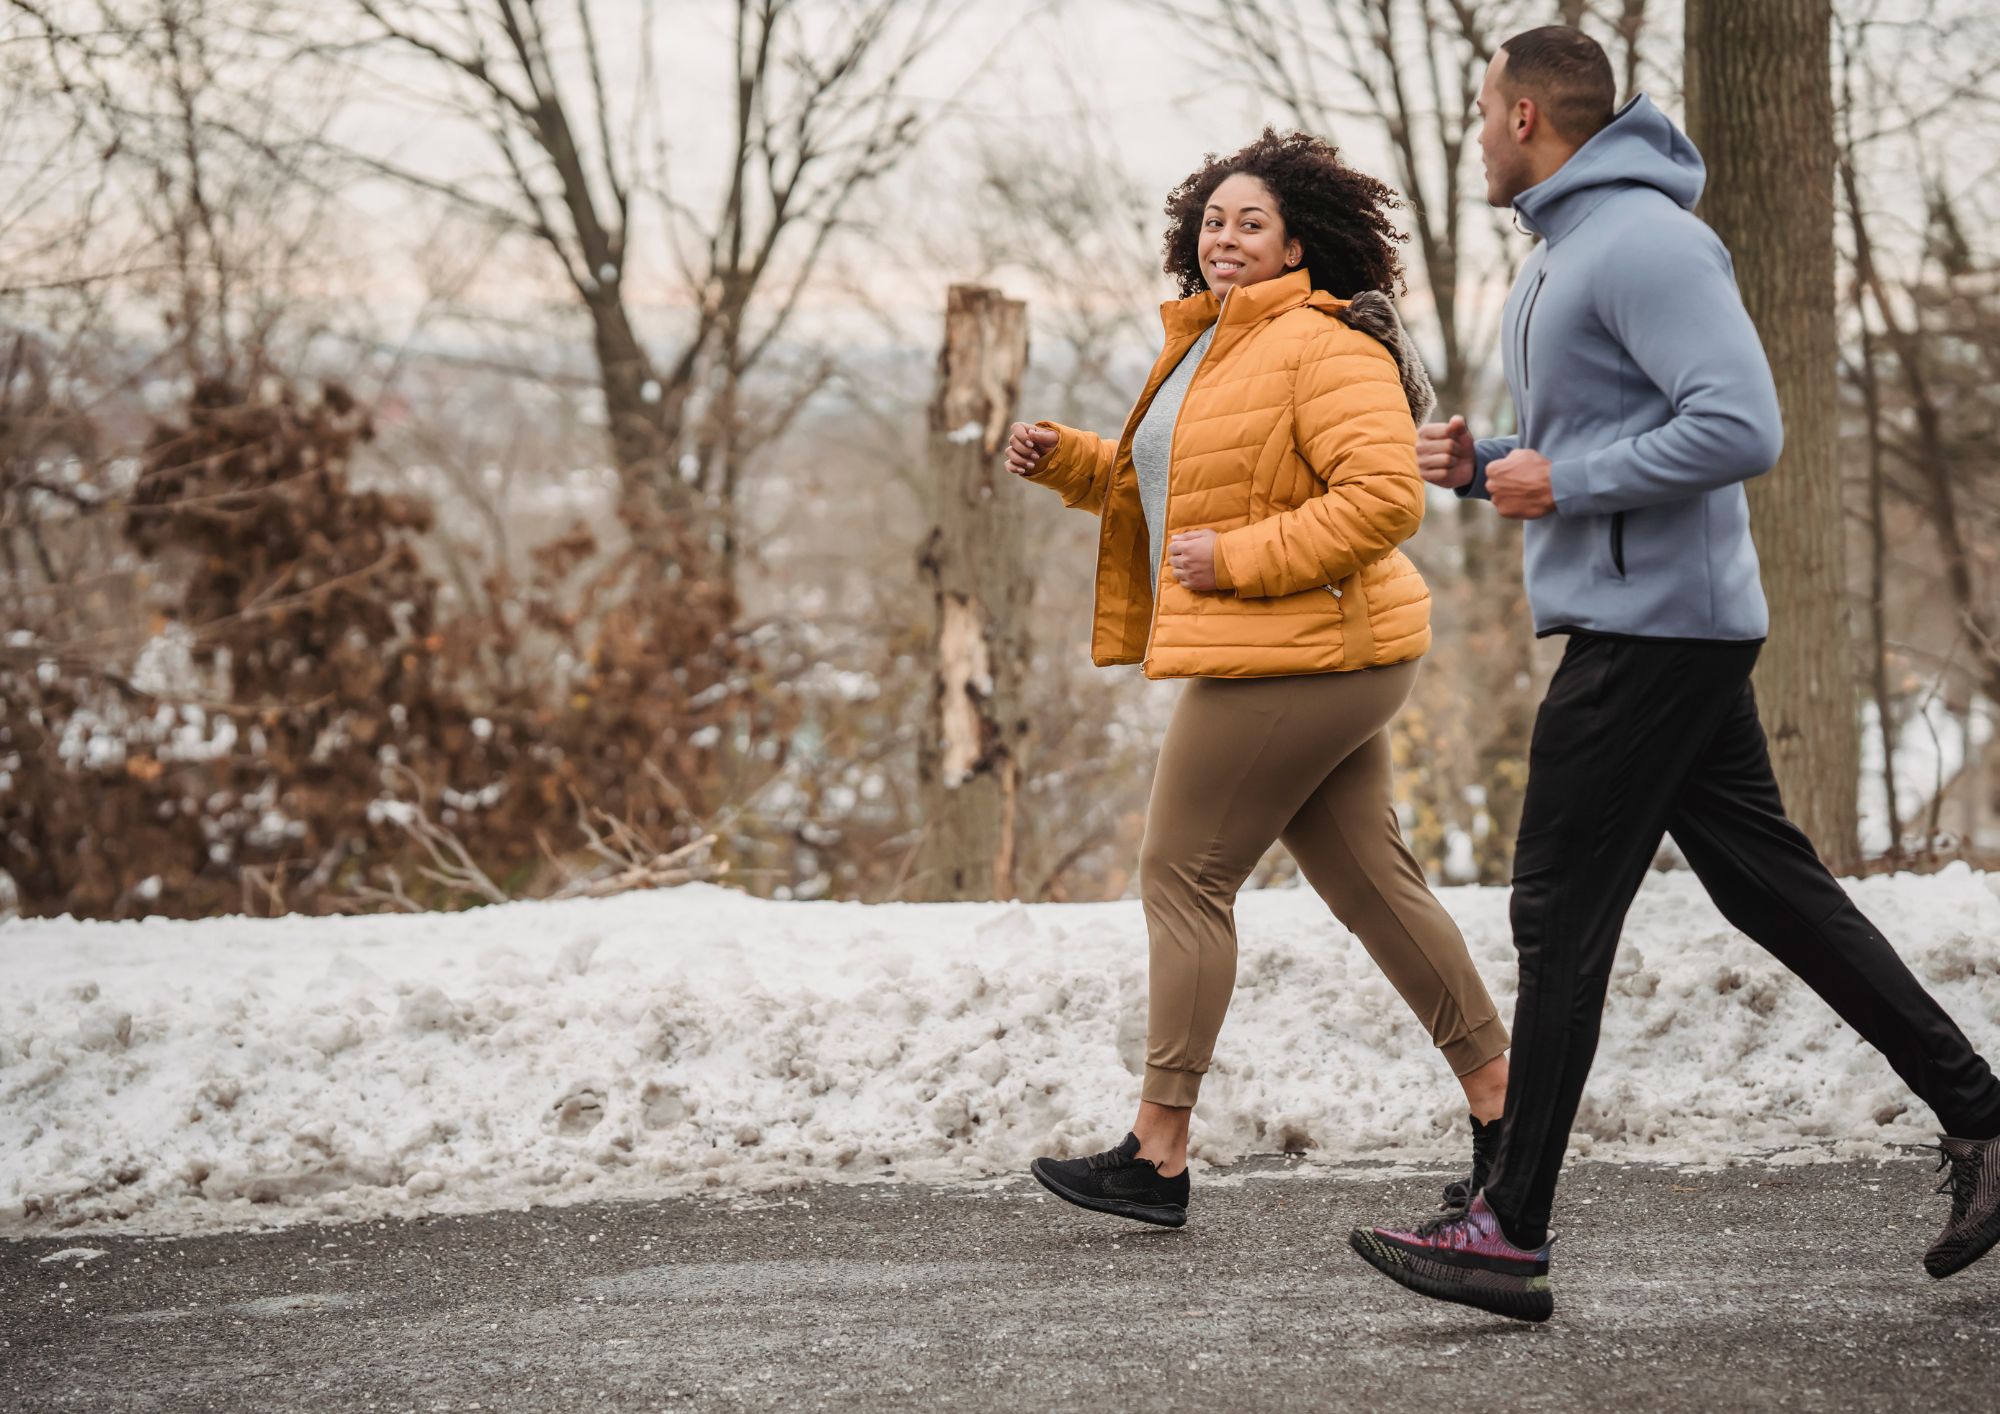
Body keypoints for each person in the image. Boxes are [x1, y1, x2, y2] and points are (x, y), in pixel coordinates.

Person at [1348, 25, 2000, 1324]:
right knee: (1773, 890)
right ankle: (1984, 1114)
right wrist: (1497, 464)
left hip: (1658, 631)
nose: (1478, 134)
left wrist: (1567, 477)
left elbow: (1740, 420)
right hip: (1646, 618)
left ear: (1528, 114)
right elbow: (1608, 431)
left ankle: (1509, 1227)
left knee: (1557, 913)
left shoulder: (1645, 239)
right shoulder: (1573, 248)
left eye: (1485, 112)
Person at [1011, 130, 1512, 1231]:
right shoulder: (1210, 348)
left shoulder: (1322, 344)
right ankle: (1503, 1113)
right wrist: (1069, 461)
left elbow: (1383, 500)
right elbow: (1179, 493)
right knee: (1368, 885)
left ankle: (1156, 1151)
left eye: (1251, 222)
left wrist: (1235, 561)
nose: (1224, 237)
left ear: (1299, 245)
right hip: (1308, 649)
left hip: (1296, 649)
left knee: (1180, 875)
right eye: (1213, 220)